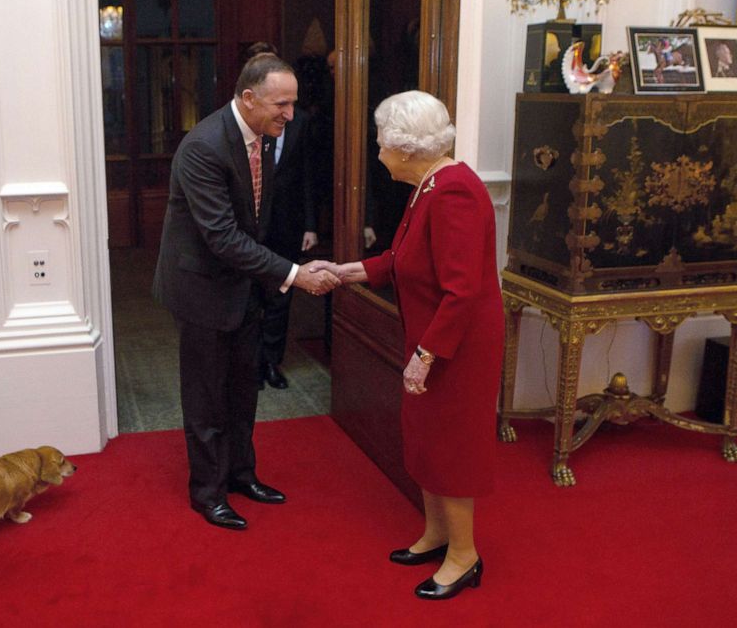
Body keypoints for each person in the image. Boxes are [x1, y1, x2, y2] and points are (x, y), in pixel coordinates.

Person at [323, 90, 503, 600]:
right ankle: (438, 534)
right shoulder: (428, 185)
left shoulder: (454, 192)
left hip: (456, 346)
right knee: (424, 438)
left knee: (452, 447)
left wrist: (426, 357)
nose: (378, 153)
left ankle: (465, 557)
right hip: (432, 338)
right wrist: (348, 272)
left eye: (381, 143)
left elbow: (462, 290)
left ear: (405, 148)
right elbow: (403, 258)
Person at [152, 54, 340, 531]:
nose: (290, 114)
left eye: (293, 104)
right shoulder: (203, 148)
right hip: (201, 289)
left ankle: (241, 475)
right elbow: (223, 238)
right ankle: (208, 493)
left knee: (242, 389)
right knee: (206, 397)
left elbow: (258, 223)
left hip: (244, 286)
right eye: (282, 104)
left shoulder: (265, 137)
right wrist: (294, 275)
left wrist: (288, 263)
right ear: (249, 97)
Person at [240, 43, 320, 390]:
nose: (286, 109)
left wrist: (310, 225)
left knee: (281, 295)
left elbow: (308, 174)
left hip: (287, 223)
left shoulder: (299, 122)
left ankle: (271, 362)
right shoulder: (238, 125)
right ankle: (249, 364)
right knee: (249, 297)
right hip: (247, 226)